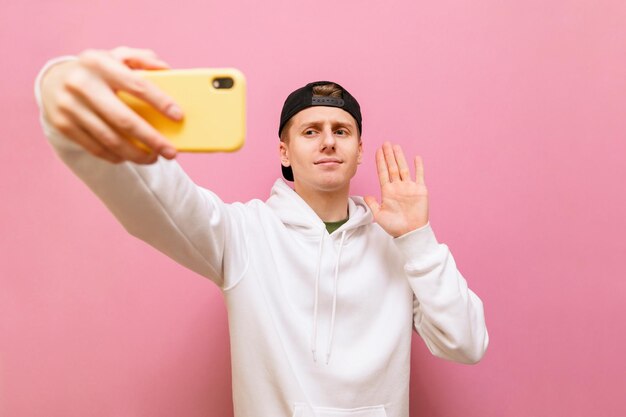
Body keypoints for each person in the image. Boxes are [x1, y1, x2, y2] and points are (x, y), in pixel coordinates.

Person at [35, 47, 488, 417]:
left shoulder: (401, 249)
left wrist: (416, 237)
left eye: (341, 131)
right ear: (285, 152)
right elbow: (152, 199)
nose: (329, 141)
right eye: (311, 130)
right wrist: (62, 96)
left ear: (357, 152)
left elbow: (466, 344)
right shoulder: (242, 233)